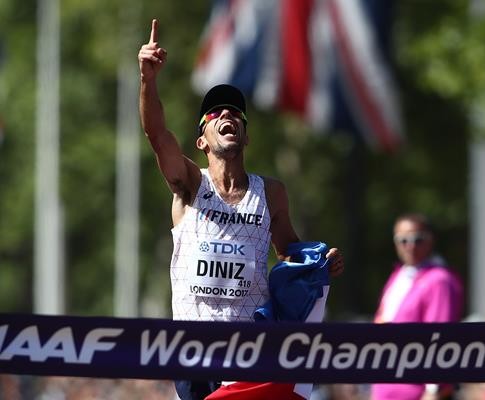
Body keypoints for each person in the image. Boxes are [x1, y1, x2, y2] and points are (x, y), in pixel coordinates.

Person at [138, 19, 344, 400]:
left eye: (235, 113)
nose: (227, 115)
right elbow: (157, 135)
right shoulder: (189, 184)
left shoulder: (271, 194)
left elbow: (291, 255)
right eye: (215, 113)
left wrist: (320, 265)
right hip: (193, 351)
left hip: (249, 351)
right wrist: (148, 80)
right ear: (201, 141)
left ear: (246, 136)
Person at [371, 213, 463, 400]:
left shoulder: (439, 280)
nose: (410, 245)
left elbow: (440, 337)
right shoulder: (399, 276)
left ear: (431, 240)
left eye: (418, 239)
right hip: (386, 388)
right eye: (403, 240)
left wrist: (434, 390)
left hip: (416, 392)